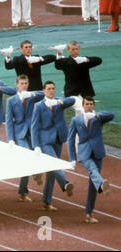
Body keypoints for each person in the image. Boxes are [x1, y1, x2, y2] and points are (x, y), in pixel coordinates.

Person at [67, 97, 114, 223]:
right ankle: (102, 184)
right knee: (93, 171)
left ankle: (89, 213)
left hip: (97, 152)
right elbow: (71, 140)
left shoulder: (98, 118)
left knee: (93, 184)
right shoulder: (76, 120)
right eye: (87, 104)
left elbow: (111, 115)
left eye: (91, 104)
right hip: (84, 153)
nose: (89, 106)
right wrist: (72, 158)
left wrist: (97, 115)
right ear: (83, 105)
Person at [31, 81, 75, 211]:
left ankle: (46, 201)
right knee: (55, 163)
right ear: (43, 91)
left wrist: (59, 102)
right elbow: (34, 127)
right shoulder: (38, 106)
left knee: (51, 171)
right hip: (45, 141)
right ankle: (65, 184)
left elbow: (72, 100)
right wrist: (36, 145)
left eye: (53, 89)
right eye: (48, 89)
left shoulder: (59, 102)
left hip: (58, 139)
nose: (51, 91)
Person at [5, 75, 45, 202]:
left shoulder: (32, 97)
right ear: (17, 84)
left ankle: (23, 190)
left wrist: (30, 94)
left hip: (33, 133)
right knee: (28, 156)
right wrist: (10, 138)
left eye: (26, 83)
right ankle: (34, 174)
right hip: (19, 134)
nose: (24, 85)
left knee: (33, 159)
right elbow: (9, 121)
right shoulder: (11, 101)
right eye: (22, 83)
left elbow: (42, 94)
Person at [54, 40, 102, 115]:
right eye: (73, 49)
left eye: (76, 49)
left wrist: (85, 59)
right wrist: (59, 53)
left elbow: (99, 60)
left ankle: (78, 125)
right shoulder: (66, 62)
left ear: (79, 49)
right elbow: (57, 65)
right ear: (68, 50)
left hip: (86, 91)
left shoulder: (84, 60)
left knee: (83, 112)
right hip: (72, 91)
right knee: (82, 110)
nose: (75, 51)